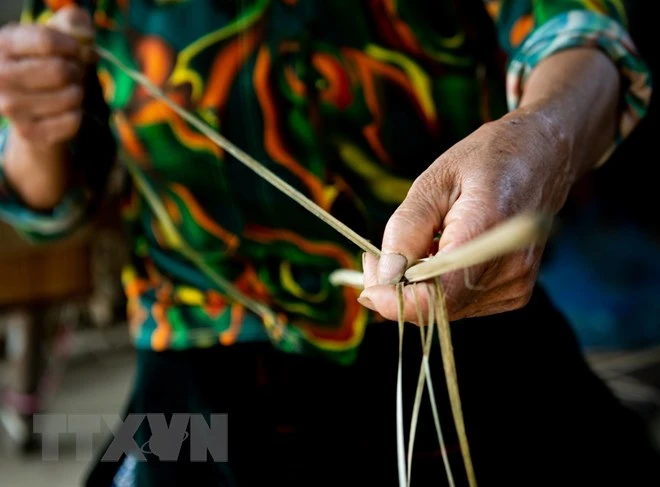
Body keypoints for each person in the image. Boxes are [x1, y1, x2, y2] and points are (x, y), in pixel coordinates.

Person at [0, 1, 657, 485]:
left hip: (472, 330)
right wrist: (33, 124)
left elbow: (583, 35)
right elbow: (53, 204)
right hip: (205, 368)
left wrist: (542, 134)